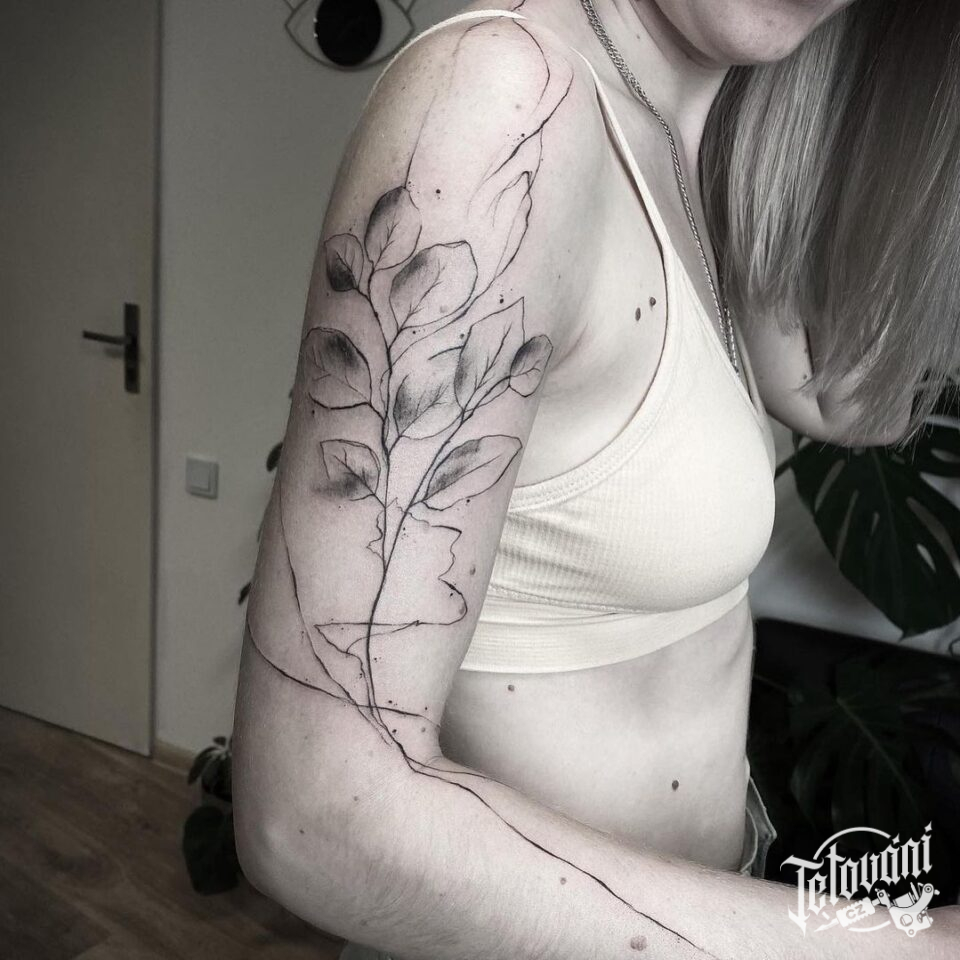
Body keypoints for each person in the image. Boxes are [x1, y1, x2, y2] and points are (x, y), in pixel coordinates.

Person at [232, 1, 960, 957]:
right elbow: (316, 816)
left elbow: (851, 396)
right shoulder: (504, 104)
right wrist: (910, 946)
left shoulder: (695, 135)